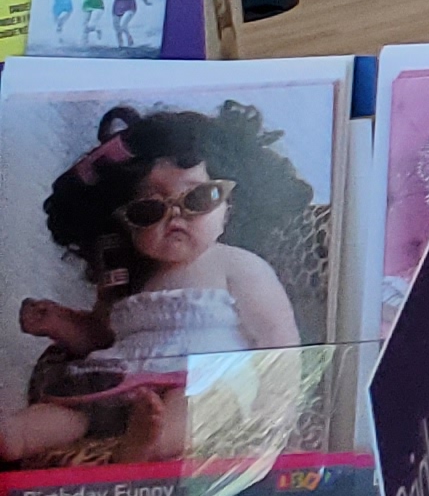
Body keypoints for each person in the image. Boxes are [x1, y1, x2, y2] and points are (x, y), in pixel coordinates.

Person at [6, 103, 313, 464]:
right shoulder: (128, 279)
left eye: (198, 198)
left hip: (202, 382)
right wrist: (61, 324)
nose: (176, 216)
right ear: (126, 226)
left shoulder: (238, 265)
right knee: (68, 413)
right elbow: (104, 337)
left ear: (229, 208)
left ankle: (151, 443)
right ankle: (16, 435)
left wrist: (276, 408)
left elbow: (277, 338)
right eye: (149, 211)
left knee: (196, 405)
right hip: (122, 381)